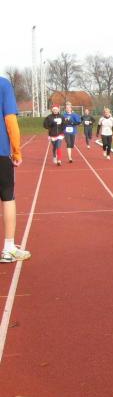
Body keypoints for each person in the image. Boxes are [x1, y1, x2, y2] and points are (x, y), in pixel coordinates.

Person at [0, 78, 31, 263]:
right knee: (7, 197)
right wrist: (17, 151)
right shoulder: (3, 84)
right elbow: (10, 120)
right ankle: (8, 248)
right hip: (1, 152)